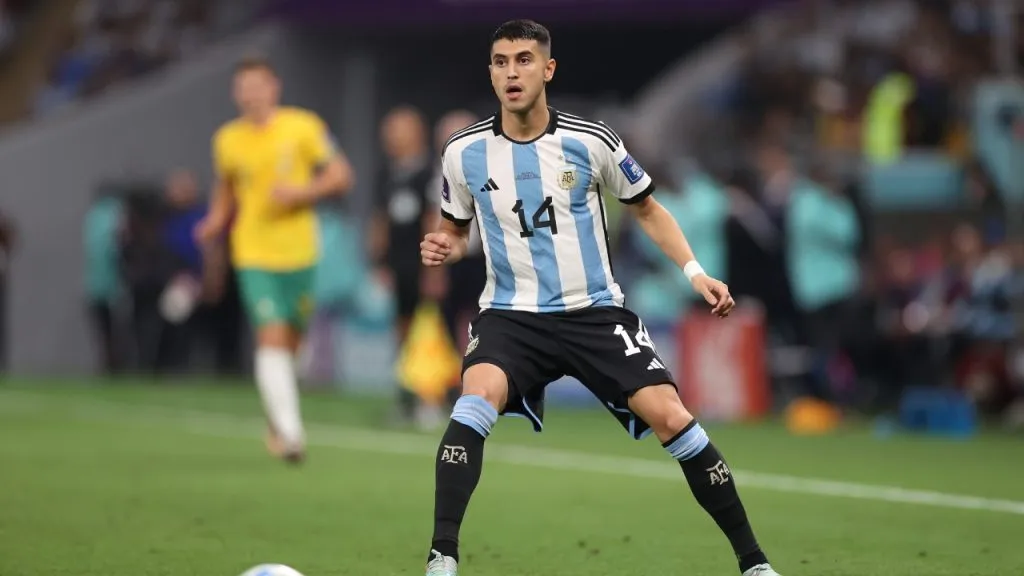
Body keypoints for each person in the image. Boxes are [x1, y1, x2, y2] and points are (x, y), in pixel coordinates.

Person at [419, 20, 781, 576]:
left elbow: (648, 210)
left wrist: (695, 272)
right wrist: (447, 245)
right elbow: (456, 226)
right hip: (510, 315)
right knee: (476, 396)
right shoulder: (463, 153)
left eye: (522, 60)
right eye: (499, 62)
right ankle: (442, 557)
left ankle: (754, 563)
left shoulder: (591, 141)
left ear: (548, 69)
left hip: (593, 311)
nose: (511, 73)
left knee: (673, 417)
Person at [194, 55, 354, 463]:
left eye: (257, 85)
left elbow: (341, 175)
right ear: (235, 93)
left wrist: (302, 193)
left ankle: (277, 417)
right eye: (243, 87)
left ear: (274, 87)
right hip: (253, 252)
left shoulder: (303, 127)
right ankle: (291, 433)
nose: (250, 94)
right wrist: (214, 222)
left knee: (291, 343)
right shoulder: (227, 139)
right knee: (271, 334)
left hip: (300, 251)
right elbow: (226, 188)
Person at [368, 106, 439, 426]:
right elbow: (381, 220)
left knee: (431, 333)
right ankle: (406, 397)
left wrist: (435, 267)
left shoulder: (431, 172)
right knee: (403, 332)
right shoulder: (387, 173)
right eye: (389, 129)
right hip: (398, 266)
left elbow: (435, 218)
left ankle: (432, 399)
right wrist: (378, 261)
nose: (392, 136)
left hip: (424, 264)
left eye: (400, 128)